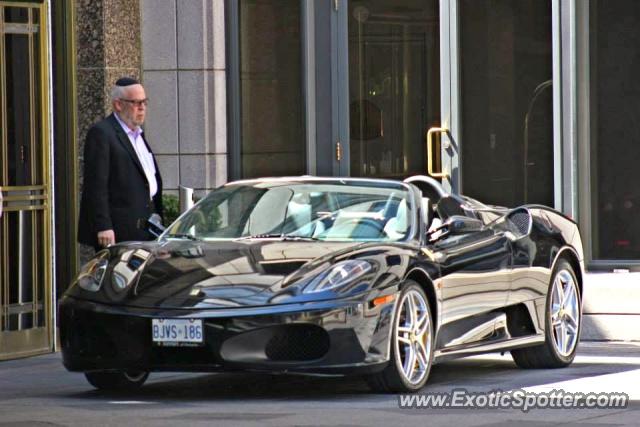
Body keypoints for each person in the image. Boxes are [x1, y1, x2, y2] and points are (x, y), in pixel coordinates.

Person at [78, 77, 163, 251]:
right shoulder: (102, 133)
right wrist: (103, 225)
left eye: (144, 102)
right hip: (119, 232)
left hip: (147, 229)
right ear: (118, 105)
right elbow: (96, 185)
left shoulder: (138, 136)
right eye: (136, 103)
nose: (142, 108)